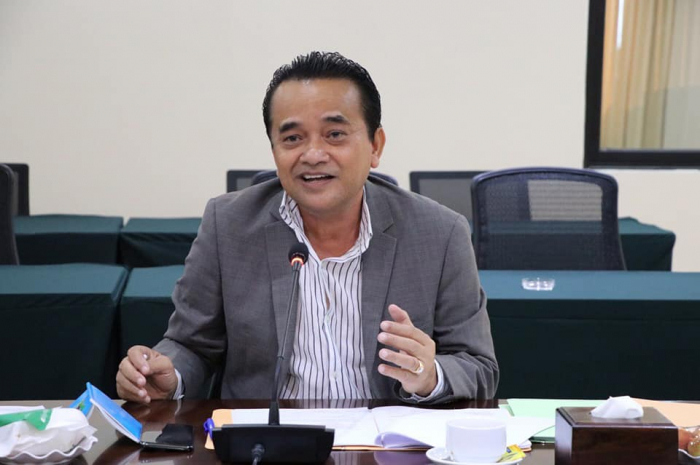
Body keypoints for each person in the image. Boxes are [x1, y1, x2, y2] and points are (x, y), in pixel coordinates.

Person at [116, 51, 498, 404]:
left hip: (388, 444)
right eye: (293, 138)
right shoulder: (227, 225)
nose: (313, 154)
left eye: (335, 134)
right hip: (268, 439)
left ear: (375, 146)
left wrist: (429, 376)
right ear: (274, 151)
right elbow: (191, 345)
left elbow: (478, 367)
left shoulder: (440, 233)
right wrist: (169, 375)